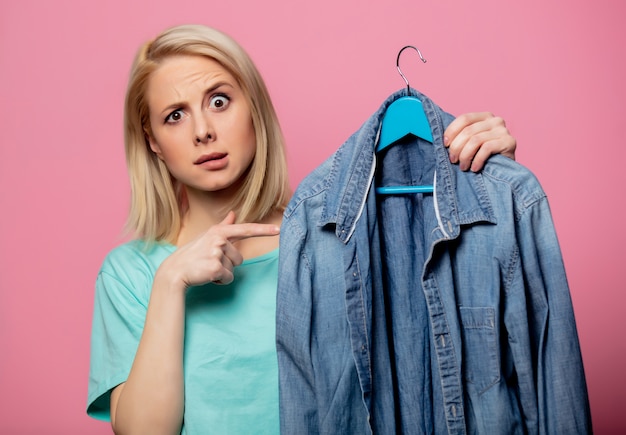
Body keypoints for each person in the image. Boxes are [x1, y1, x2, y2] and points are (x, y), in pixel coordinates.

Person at [86, 23, 518, 434]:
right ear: (152, 141)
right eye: (175, 115)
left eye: (219, 101)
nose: (203, 131)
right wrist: (171, 282)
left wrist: (488, 180)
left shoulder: (340, 236)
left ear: (254, 108)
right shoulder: (131, 274)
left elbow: (442, 341)